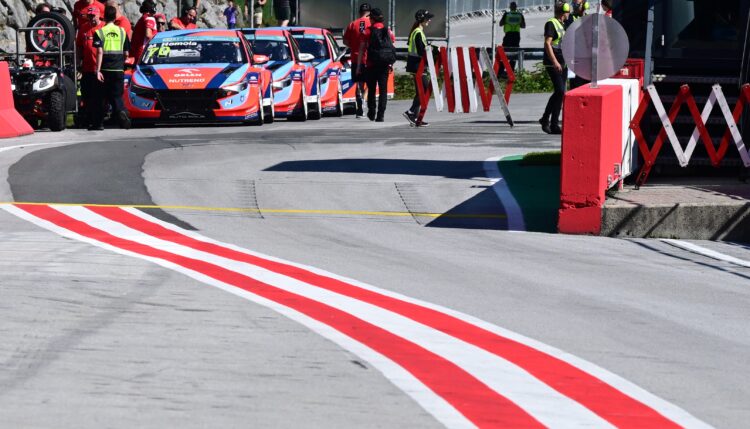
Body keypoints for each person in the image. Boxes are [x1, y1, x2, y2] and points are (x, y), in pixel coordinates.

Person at [93, 5, 131, 130]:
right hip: (118, 69)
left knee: (100, 97)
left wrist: (97, 70)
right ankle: (121, 112)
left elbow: (99, 52)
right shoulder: (122, 32)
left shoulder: (99, 32)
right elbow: (126, 53)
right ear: (115, 17)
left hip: (104, 69)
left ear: (103, 17)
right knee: (116, 96)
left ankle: (98, 124)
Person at [539, 2, 570, 135]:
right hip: (554, 63)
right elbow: (547, 43)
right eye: (568, 12)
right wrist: (555, 62)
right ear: (563, 12)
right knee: (559, 90)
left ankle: (554, 124)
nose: (569, 14)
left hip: (563, 63)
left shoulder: (562, 24)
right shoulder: (551, 23)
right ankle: (545, 118)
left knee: (561, 93)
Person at [362, 8, 395, 122]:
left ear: (373, 19)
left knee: (371, 89)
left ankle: (372, 111)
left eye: (370, 18)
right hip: (385, 64)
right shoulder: (388, 31)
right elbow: (392, 44)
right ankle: (381, 115)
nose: (369, 19)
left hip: (371, 64)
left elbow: (363, 47)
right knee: (383, 90)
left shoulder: (368, 31)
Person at [403, 9, 434, 127]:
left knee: (420, 92)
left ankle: (415, 117)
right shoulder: (418, 32)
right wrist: (430, 49)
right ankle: (411, 112)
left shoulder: (417, 31)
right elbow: (422, 51)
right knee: (424, 90)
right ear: (422, 19)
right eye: (428, 18)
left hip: (416, 65)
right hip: (418, 66)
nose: (429, 20)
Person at [76, 6, 103, 129]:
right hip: (87, 68)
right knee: (86, 95)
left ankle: (99, 121)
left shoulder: (103, 28)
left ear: (99, 15)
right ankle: (88, 120)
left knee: (98, 97)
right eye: (89, 16)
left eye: (93, 16)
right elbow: (79, 47)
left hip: (100, 69)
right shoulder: (84, 28)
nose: (91, 18)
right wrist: (78, 64)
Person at [343, 2, 371, 118]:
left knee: (359, 83)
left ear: (360, 12)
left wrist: (354, 46)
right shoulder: (372, 24)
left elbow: (345, 41)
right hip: (369, 58)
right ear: (369, 13)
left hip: (355, 58)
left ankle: (359, 108)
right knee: (370, 82)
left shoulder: (352, 24)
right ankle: (364, 100)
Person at [498, 2, 525, 78]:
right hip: (516, 36)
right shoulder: (519, 15)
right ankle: (511, 71)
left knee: (504, 53)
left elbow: (500, 24)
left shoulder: (506, 14)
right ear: (516, 7)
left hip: (508, 35)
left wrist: (507, 22)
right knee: (514, 53)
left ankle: (501, 71)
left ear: (510, 7)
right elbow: (523, 26)